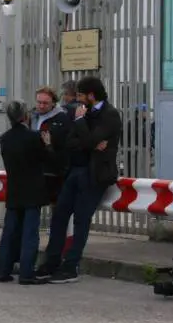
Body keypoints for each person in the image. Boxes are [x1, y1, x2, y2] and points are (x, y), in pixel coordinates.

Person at [36, 76, 122, 284]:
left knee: (81, 220)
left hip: (94, 175)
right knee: (59, 216)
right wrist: (90, 142)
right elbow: (71, 142)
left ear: (91, 95)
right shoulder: (81, 113)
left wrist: (82, 125)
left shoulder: (109, 115)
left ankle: (71, 266)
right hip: (74, 171)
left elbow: (89, 140)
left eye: (81, 95)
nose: (78, 99)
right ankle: (51, 261)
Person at [0, 100, 54, 285]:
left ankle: (3, 269)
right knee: (30, 233)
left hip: (14, 189)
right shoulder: (34, 137)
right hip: (33, 190)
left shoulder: (4, 138)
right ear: (25, 116)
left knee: (10, 232)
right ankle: (26, 272)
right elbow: (47, 159)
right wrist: (48, 144)